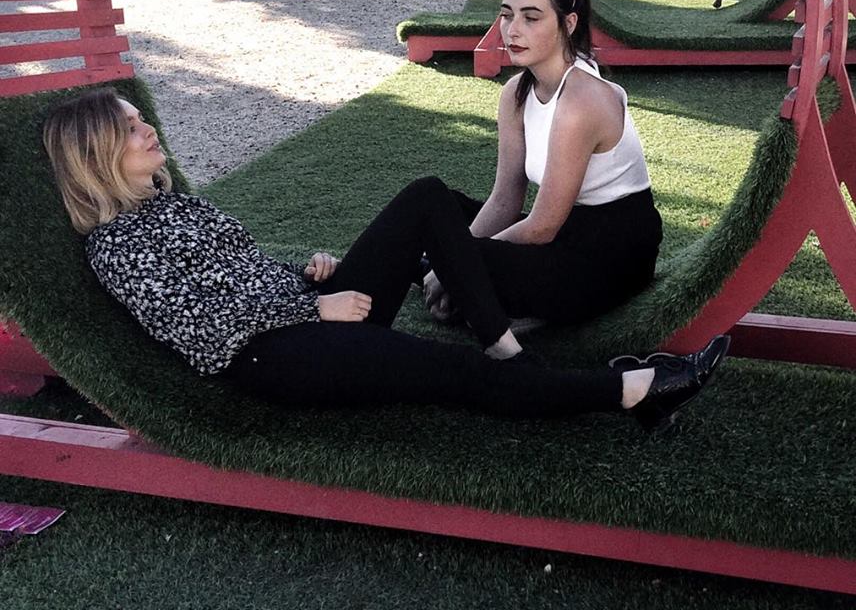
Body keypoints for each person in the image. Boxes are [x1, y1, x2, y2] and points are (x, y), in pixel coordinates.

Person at [42, 89, 729, 431]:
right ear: (98, 155)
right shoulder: (116, 246)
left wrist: (304, 276)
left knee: (428, 198)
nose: (148, 128)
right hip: (273, 358)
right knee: (452, 373)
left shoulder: (174, 207)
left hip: (303, 312)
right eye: (130, 128)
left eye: (139, 119)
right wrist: (314, 309)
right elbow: (199, 328)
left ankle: (503, 344)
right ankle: (633, 391)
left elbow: (234, 275)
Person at [424, 0, 664, 333]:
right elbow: (504, 200)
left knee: (459, 260)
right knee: (433, 208)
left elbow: (542, 227)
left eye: (531, 18)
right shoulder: (515, 93)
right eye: (507, 15)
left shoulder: (582, 100)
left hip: (610, 254)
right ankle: (457, 287)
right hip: (562, 234)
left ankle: (482, 296)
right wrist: (461, 259)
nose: (512, 31)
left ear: (568, 23)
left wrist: (459, 263)